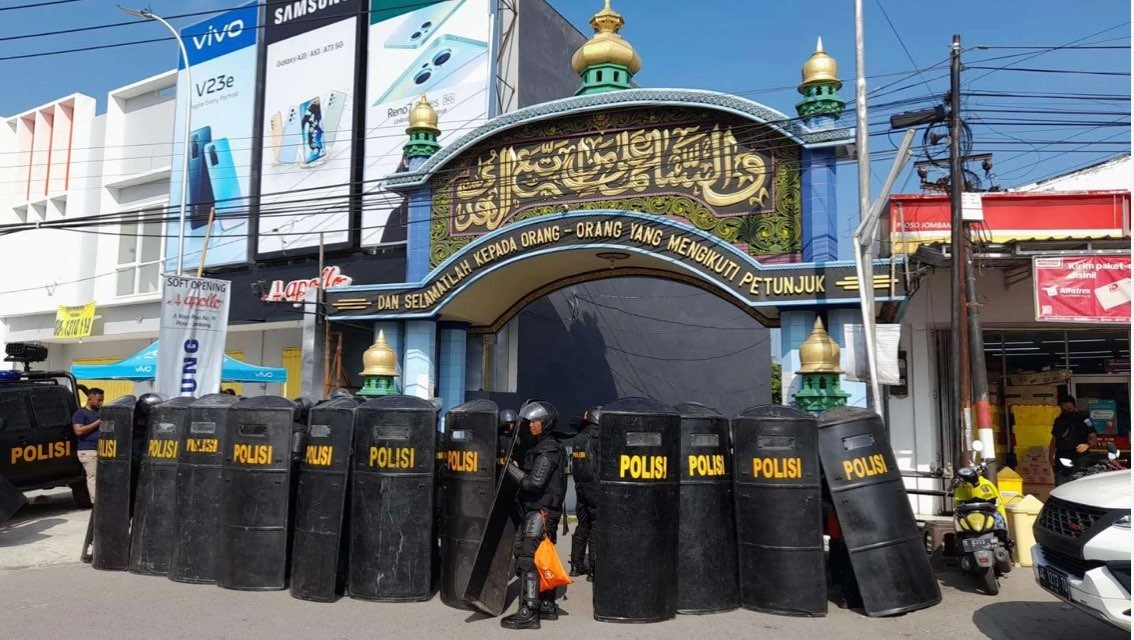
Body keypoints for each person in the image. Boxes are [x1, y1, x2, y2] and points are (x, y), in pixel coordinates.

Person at [501, 401, 567, 630]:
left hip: (540, 510)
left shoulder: (547, 449)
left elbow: (533, 483)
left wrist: (509, 468)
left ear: (546, 423)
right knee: (543, 557)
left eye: (536, 421)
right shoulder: (550, 447)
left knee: (528, 558)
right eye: (531, 421)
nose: (532, 425)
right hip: (546, 510)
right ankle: (547, 605)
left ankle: (528, 611)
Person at [569, 406, 601, 581]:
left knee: (583, 525)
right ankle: (594, 570)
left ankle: (576, 565)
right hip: (596, 488)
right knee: (597, 525)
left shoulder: (579, 437)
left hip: (580, 487)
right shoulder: (598, 437)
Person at [1049, 394, 1097, 486]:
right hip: (1062, 456)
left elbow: (1093, 437)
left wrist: (1087, 444)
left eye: (1070, 409)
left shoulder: (1084, 419)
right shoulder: (1058, 421)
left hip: (1080, 457)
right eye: (1064, 410)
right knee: (1061, 486)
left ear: (1075, 407)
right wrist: (1050, 457)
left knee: (1081, 485)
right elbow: (1054, 439)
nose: (1067, 412)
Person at [71, 387, 104, 505]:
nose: (101, 403)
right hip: (88, 450)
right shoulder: (80, 413)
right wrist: (97, 423)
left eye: (102, 400)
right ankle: (97, 504)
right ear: (90, 399)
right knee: (93, 477)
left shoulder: (99, 412)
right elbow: (78, 431)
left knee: (101, 477)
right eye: (98, 400)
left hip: (101, 449)